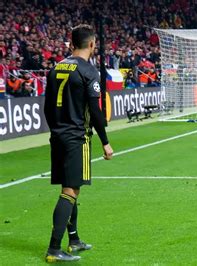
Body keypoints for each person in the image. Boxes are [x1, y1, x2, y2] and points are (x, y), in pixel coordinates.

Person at [44, 24, 114, 262]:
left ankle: (73, 240)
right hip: (77, 137)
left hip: (58, 136)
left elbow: (47, 107)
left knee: (70, 188)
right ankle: (54, 248)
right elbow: (95, 111)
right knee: (70, 191)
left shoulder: (55, 68)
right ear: (92, 44)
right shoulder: (88, 71)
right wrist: (105, 142)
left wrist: (56, 130)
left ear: (71, 43)